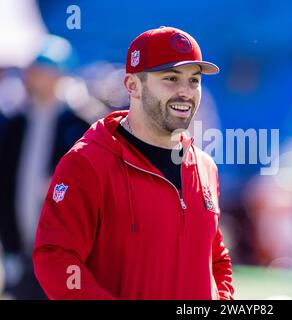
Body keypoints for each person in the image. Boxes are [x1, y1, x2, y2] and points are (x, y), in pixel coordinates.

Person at [33, 27, 234, 300]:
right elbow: (55, 259)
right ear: (132, 85)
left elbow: (216, 259)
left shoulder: (204, 166)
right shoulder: (87, 162)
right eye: (171, 79)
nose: (186, 92)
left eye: (194, 81)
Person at [0, 35, 89, 299]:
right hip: (21, 246)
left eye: (41, 71)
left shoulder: (79, 124)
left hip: (64, 254)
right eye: (32, 71)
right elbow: (5, 187)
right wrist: (11, 247)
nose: (33, 77)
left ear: (58, 75)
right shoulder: (15, 124)